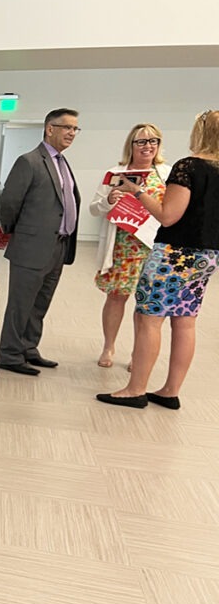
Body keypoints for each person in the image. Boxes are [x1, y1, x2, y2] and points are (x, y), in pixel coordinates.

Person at [97, 110, 219, 410]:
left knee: (148, 319)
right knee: (186, 322)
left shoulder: (188, 166)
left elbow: (168, 215)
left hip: (174, 253)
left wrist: (137, 191)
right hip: (206, 255)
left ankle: (135, 389)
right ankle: (169, 391)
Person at [0, 108, 82, 376]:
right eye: (67, 127)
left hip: (58, 246)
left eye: (75, 129)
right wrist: (19, 232)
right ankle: (10, 354)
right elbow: (9, 203)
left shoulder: (62, 163)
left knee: (40, 304)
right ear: (50, 129)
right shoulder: (30, 161)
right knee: (21, 304)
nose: (72, 133)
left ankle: (28, 349)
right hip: (31, 247)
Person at [89, 124, 171, 368]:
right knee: (116, 298)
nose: (148, 146)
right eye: (141, 141)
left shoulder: (167, 173)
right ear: (131, 145)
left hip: (156, 248)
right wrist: (109, 200)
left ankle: (139, 353)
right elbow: (94, 209)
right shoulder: (116, 173)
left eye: (153, 141)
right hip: (123, 247)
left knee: (147, 305)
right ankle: (109, 347)